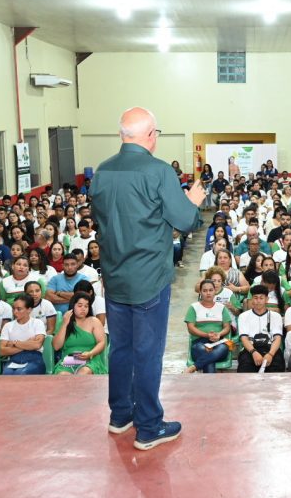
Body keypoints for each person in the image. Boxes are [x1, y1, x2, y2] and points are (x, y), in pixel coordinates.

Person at [91, 107, 204, 450]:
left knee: (121, 348)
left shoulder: (103, 170)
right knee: (148, 351)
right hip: (149, 276)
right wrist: (193, 201)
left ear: (121, 135)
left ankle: (120, 415)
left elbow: (101, 220)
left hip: (114, 275)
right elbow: (186, 221)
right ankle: (149, 426)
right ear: (152, 135)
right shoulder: (158, 172)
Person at [184, 279, 234, 373]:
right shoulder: (193, 307)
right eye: (205, 290)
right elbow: (191, 328)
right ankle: (211, 386)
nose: (208, 293)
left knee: (224, 347)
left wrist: (219, 334)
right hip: (199, 343)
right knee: (207, 353)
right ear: (200, 292)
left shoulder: (221, 308)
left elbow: (227, 328)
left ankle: (194, 367)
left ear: (215, 291)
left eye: (211, 290)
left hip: (219, 342)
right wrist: (206, 335)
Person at [237, 285, 285, 372]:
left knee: (277, 369)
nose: (258, 301)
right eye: (255, 298)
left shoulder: (276, 316)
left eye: (261, 298)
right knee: (245, 369)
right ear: (251, 299)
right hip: (250, 348)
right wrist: (254, 352)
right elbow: (244, 338)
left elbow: (277, 338)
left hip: (270, 348)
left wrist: (270, 354)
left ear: (266, 299)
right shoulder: (243, 316)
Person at [0, 296, 47, 375]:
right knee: (6, 374)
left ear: (29, 310)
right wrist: (27, 344)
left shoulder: (37, 323)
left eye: (19, 309)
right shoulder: (8, 326)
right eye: (13, 308)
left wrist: (14, 343)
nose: (15, 312)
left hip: (34, 359)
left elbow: (37, 345)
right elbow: (2, 351)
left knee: (21, 373)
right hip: (14, 359)